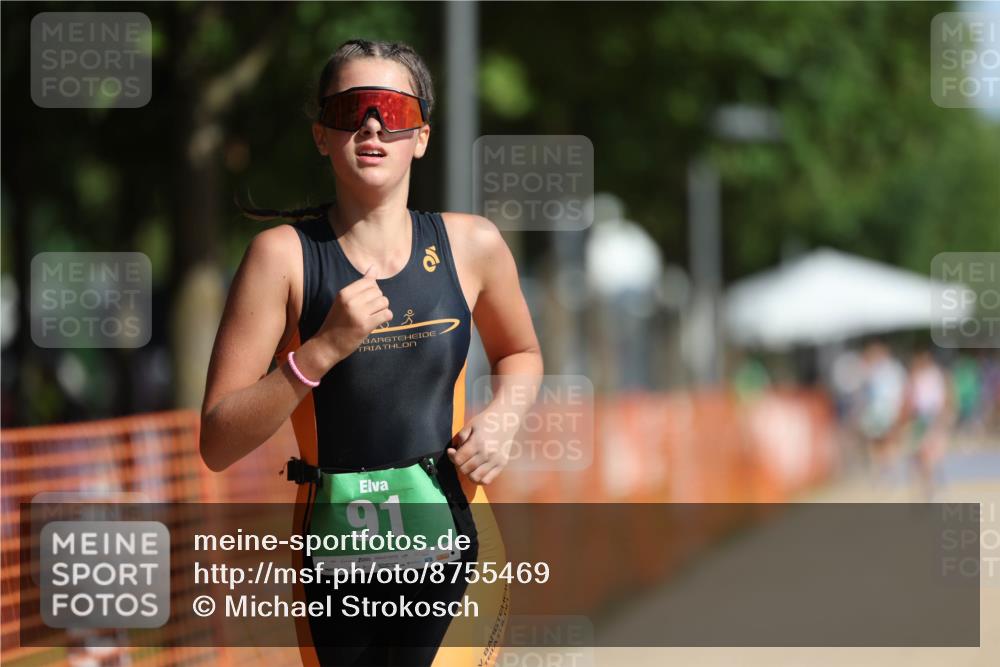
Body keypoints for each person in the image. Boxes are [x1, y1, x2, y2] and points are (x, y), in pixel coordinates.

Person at [199, 39, 543, 666]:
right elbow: (218, 442)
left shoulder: (473, 246)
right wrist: (319, 352)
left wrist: (504, 418)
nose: (373, 125)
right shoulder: (282, 258)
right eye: (350, 110)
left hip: (455, 543)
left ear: (422, 136)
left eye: (394, 109)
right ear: (321, 135)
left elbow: (520, 352)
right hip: (334, 562)